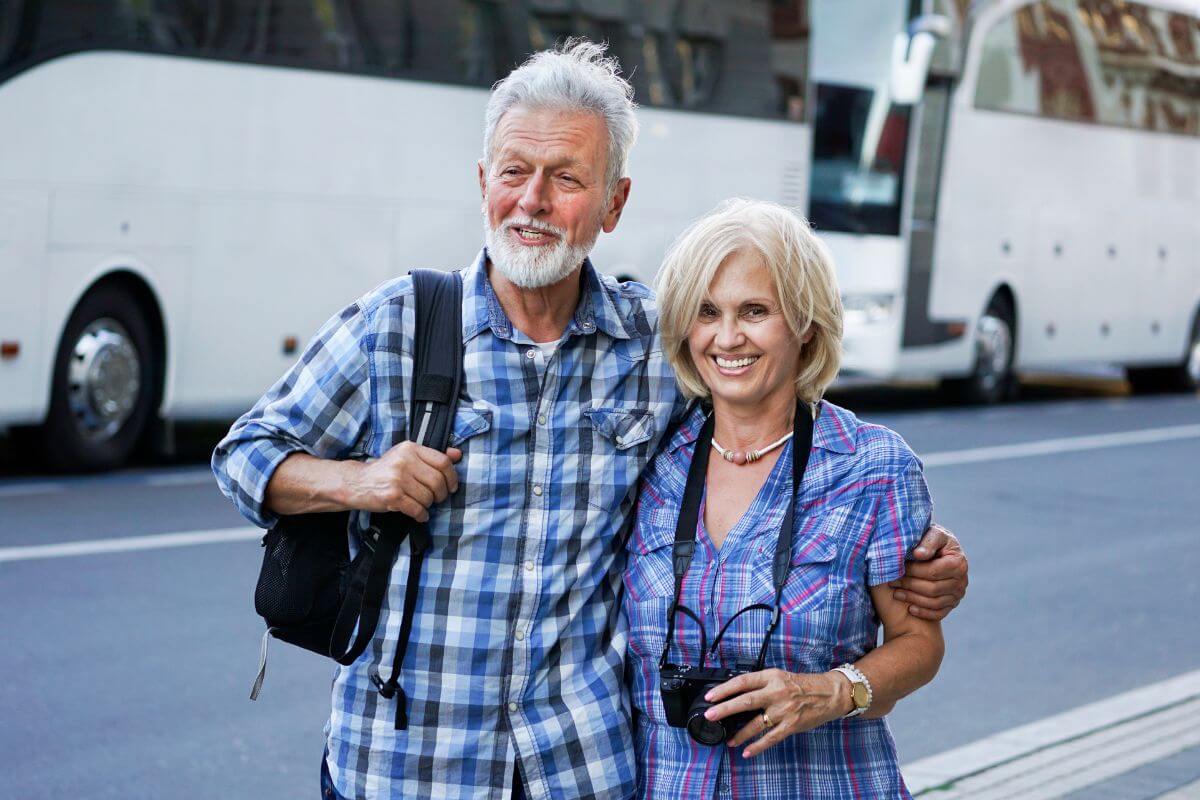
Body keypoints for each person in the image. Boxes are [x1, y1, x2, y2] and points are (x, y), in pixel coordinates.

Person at [211, 41, 967, 800]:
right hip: (407, 768)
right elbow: (243, 454)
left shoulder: (655, 344)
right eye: (513, 171)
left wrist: (914, 556)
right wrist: (360, 480)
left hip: (578, 771)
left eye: (566, 178)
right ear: (484, 183)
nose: (533, 200)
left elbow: (776, 411)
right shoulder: (397, 325)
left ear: (614, 202)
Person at [625, 198, 942, 799]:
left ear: (806, 324)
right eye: (706, 311)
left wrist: (829, 691)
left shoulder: (872, 467)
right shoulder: (649, 464)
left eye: (754, 311)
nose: (726, 337)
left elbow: (921, 645)